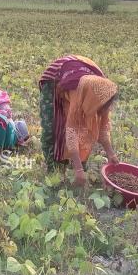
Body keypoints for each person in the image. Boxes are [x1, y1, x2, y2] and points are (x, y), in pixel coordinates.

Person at [38, 55, 120, 186]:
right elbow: (72, 132)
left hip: (81, 70)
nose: (103, 111)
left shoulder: (103, 94)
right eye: (102, 108)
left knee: (86, 126)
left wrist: (111, 154)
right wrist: (79, 170)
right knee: (53, 126)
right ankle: (53, 168)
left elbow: (103, 128)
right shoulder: (79, 94)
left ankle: (76, 163)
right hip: (55, 78)